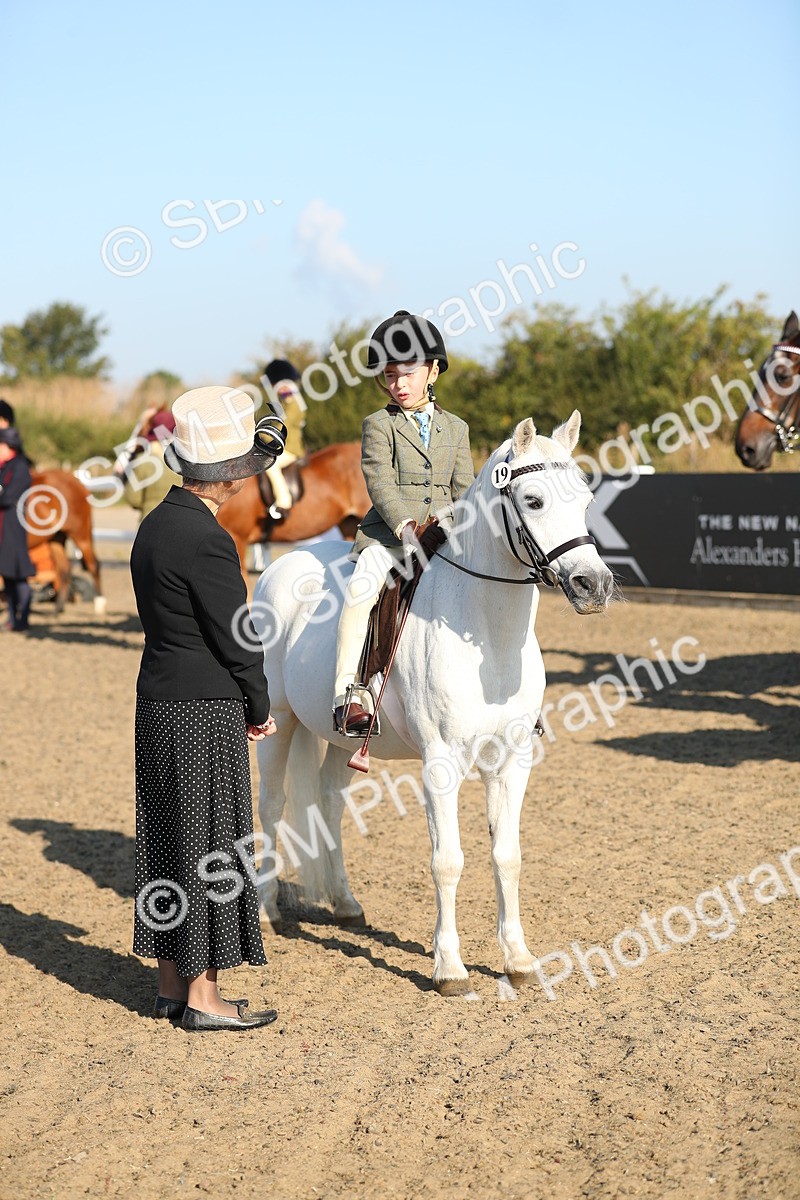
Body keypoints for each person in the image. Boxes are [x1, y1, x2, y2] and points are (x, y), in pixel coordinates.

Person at [129, 385, 287, 1032]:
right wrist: (259, 705)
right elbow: (238, 639)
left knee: (166, 836)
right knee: (210, 846)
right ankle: (203, 997)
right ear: (226, 477)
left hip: (157, 701)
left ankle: (170, 986)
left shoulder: (154, 525)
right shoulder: (209, 541)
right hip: (204, 708)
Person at [332, 311, 475, 735]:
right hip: (391, 538)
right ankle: (348, 695)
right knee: (360, 593)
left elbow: (464, 486)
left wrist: (464, 526)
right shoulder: (379, 425)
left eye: (408, 374)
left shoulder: (457, 428)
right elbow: (379, 481)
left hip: (446, 536)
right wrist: (405, 525)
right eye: (390, 376)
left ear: (433, 371)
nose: (399, 385)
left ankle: (518, 694)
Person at [0, 428, 36, 633]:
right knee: (7, 574)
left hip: (14, 526)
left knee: (19, 574)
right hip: (3, 526)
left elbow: (8, 496)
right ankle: (13, 618)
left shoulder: (20, 467)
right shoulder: (5, 467)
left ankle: (23, 619)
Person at [262, 359, 307, 517]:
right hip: (283, 447)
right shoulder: (285, 404)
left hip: (291, 449)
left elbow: (281, 426)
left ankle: (284, 502)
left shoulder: (293, 405)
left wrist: (262, 439)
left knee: (271, 466)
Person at [122, 407, 181, 521]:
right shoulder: (183, 462)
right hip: (179, 521)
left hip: (149, 522)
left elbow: (133, 499)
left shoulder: (141, 461)